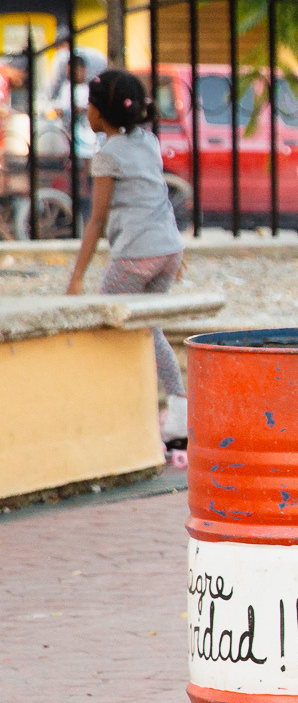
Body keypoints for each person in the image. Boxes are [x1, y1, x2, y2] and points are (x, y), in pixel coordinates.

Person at [65, 68, 188, 444]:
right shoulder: (147, 141)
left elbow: (97, 221)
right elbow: (159, 195)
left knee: (107, 324)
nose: (85, 112)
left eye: (89, 105)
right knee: (147, 328)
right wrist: (175, 251)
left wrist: (77, 276)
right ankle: (178, 414)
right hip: (167, 249)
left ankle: (109, 411)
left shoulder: (107, 156)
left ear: (101, 112)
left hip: (135, 255)